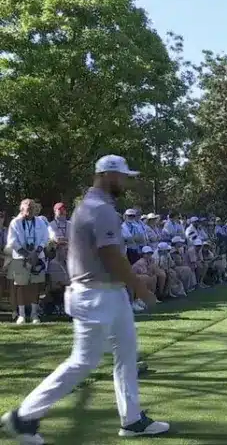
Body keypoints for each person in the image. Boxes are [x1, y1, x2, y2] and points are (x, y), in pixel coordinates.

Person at [1, 155, 170, 445]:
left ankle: (132, 420)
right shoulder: (98, 208)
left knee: (127, 355)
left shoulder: (98, 206)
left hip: (109, 294)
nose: (126, 182)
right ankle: (23, 417)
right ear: (107, 176)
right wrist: (140, 289)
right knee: (83, 362)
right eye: (122, 177)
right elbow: (111, 256)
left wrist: (129, 288)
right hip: (95, 295)